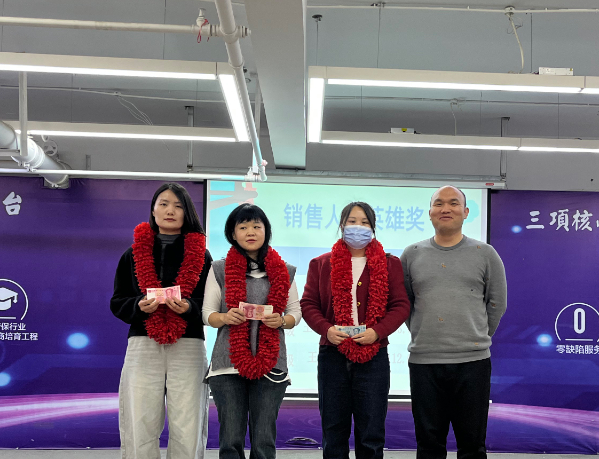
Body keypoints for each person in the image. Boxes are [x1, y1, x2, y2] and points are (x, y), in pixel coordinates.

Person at [400, 185, 507, 459]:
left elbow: (497, 303)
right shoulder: (411, 254)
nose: (445, 209)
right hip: (425, 362)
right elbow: (405, 303)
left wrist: (475, 335)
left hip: (473, 363)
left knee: (472, 446)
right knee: (428, 445)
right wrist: (425, 333)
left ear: (466, 211)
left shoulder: (485, 253)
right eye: (438, 203)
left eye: (453, 203)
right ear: (430, 212)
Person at [301, 201, 411, 459]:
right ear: (341, 225)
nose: (358, 227)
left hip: (374, 355)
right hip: (332, 354)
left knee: (371, 433)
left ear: (373, 228)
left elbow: (400, 305)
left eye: (364, 223)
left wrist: (378, 332)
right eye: (352, 222)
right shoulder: (321, 264)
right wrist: (326, 330)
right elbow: (308, 304)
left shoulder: (390, 263)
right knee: (333, 431)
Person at [111, 182, 212, 459]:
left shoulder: (202, 255)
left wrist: (189, 307)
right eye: (164, 204)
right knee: (139, 417)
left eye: (178, 206)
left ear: (187, 213)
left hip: (188, 345)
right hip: (143, 343)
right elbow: (117, 302)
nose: (170, 211)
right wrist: (138, 305)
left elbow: (212, 304)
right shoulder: (132, 254)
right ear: (153, 210)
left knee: (188, 421)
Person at [203, 203, 301, 459]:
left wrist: (281, 321)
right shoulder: (219, 268)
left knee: (263, 441)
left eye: (257, 226)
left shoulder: (285, 270)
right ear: (232, 233)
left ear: (266, 231)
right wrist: (225, 317)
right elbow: (207, 313)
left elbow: (295, 313)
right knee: (230, 441)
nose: (250, 232)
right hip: (227, 364)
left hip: (271, 364)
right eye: (243, 227)